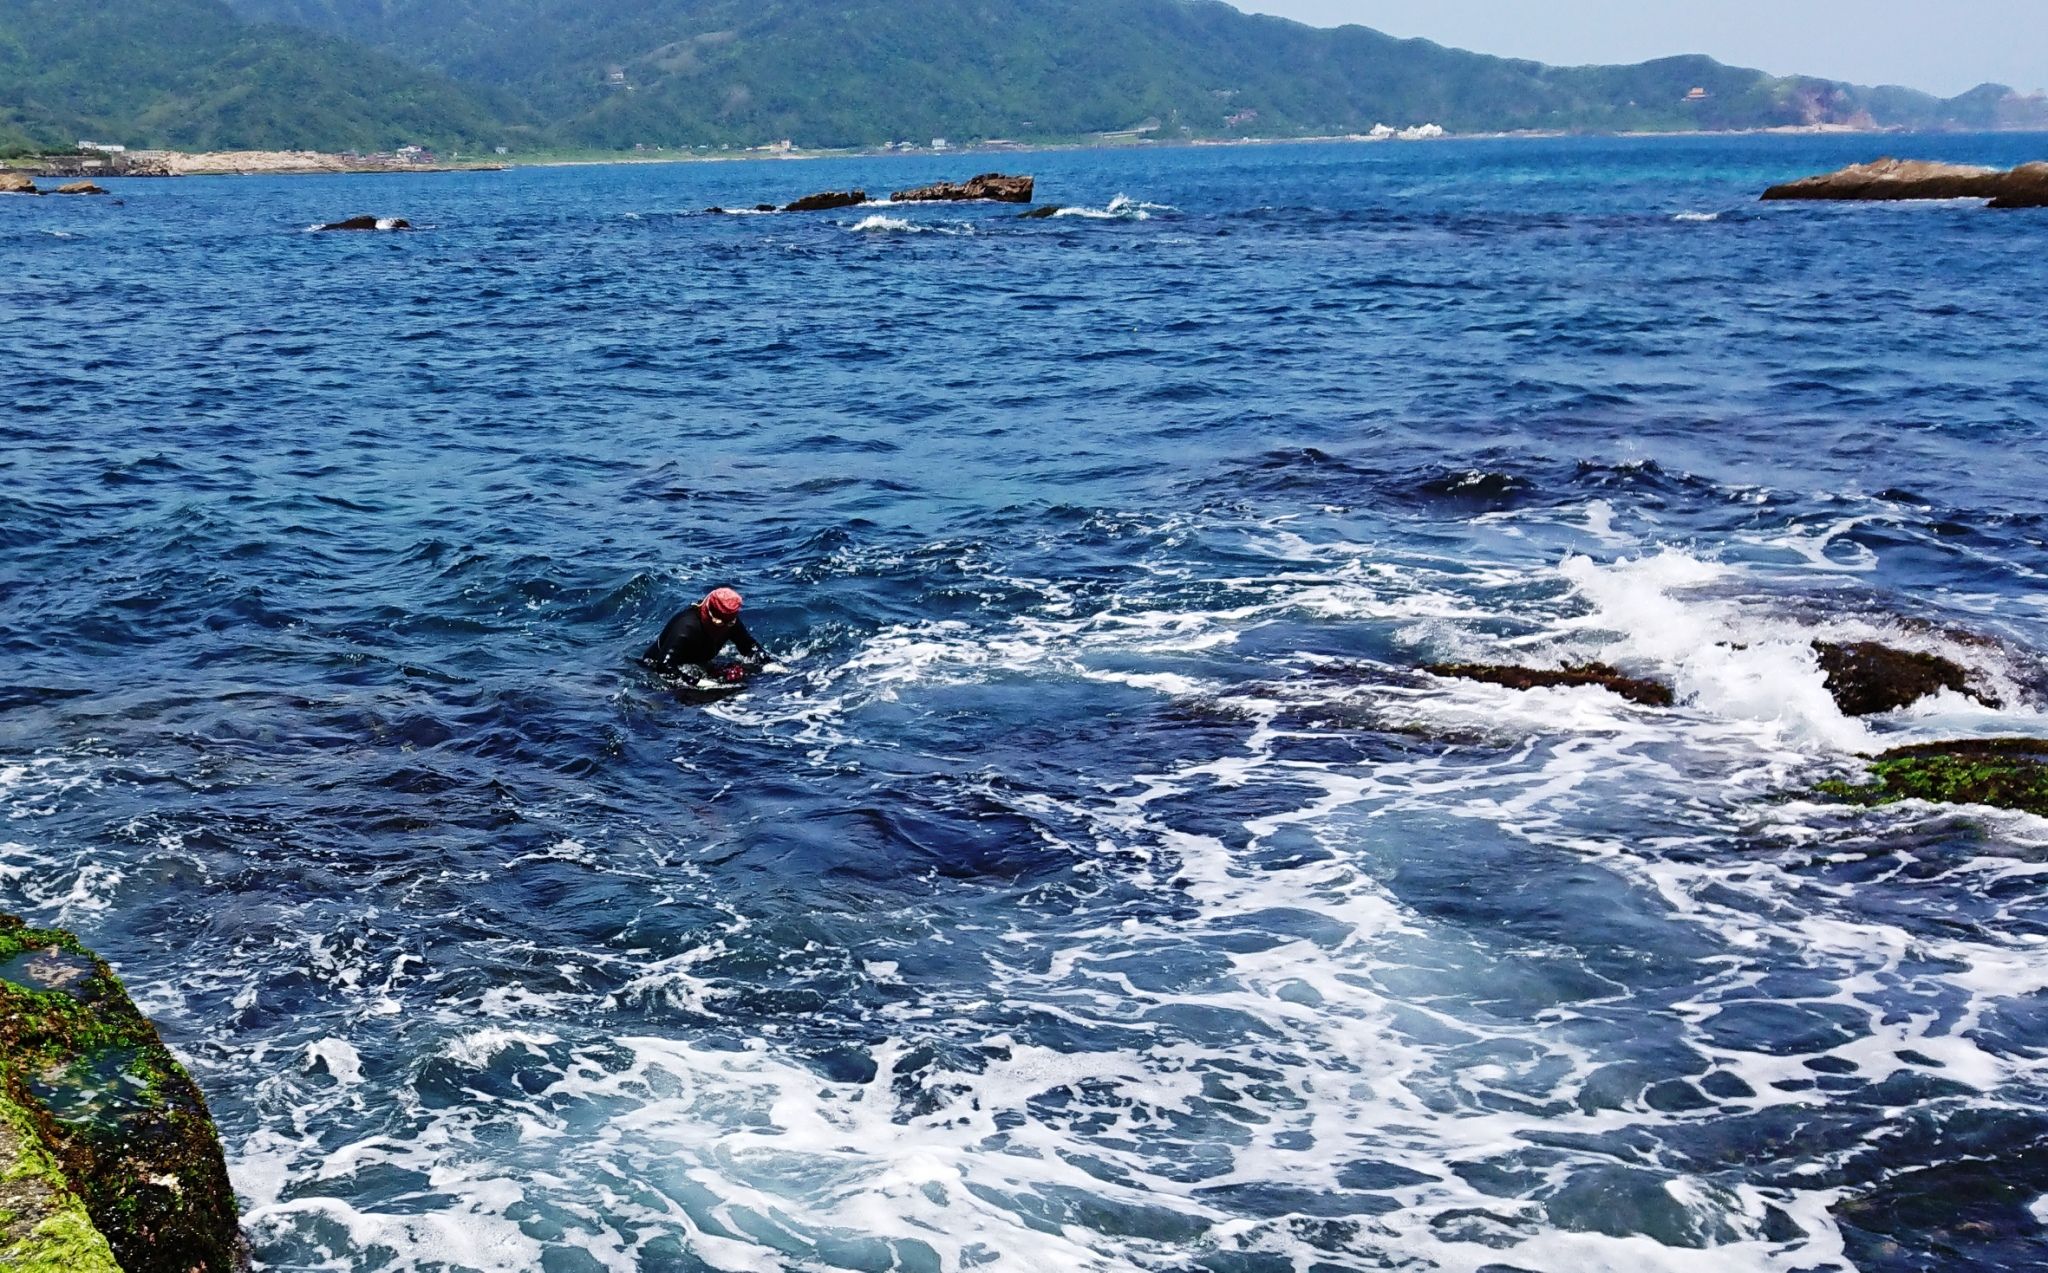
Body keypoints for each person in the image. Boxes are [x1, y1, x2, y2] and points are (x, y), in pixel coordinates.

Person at [644, 587, 766, 680]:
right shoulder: (686, 627)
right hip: (654, 669)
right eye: (719, 624)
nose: (723, 629)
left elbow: (748, 647)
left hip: (699, 664)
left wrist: (768, 665)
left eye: (728, 623)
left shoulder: (730, 623)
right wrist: (698, 683)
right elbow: (664, 667)